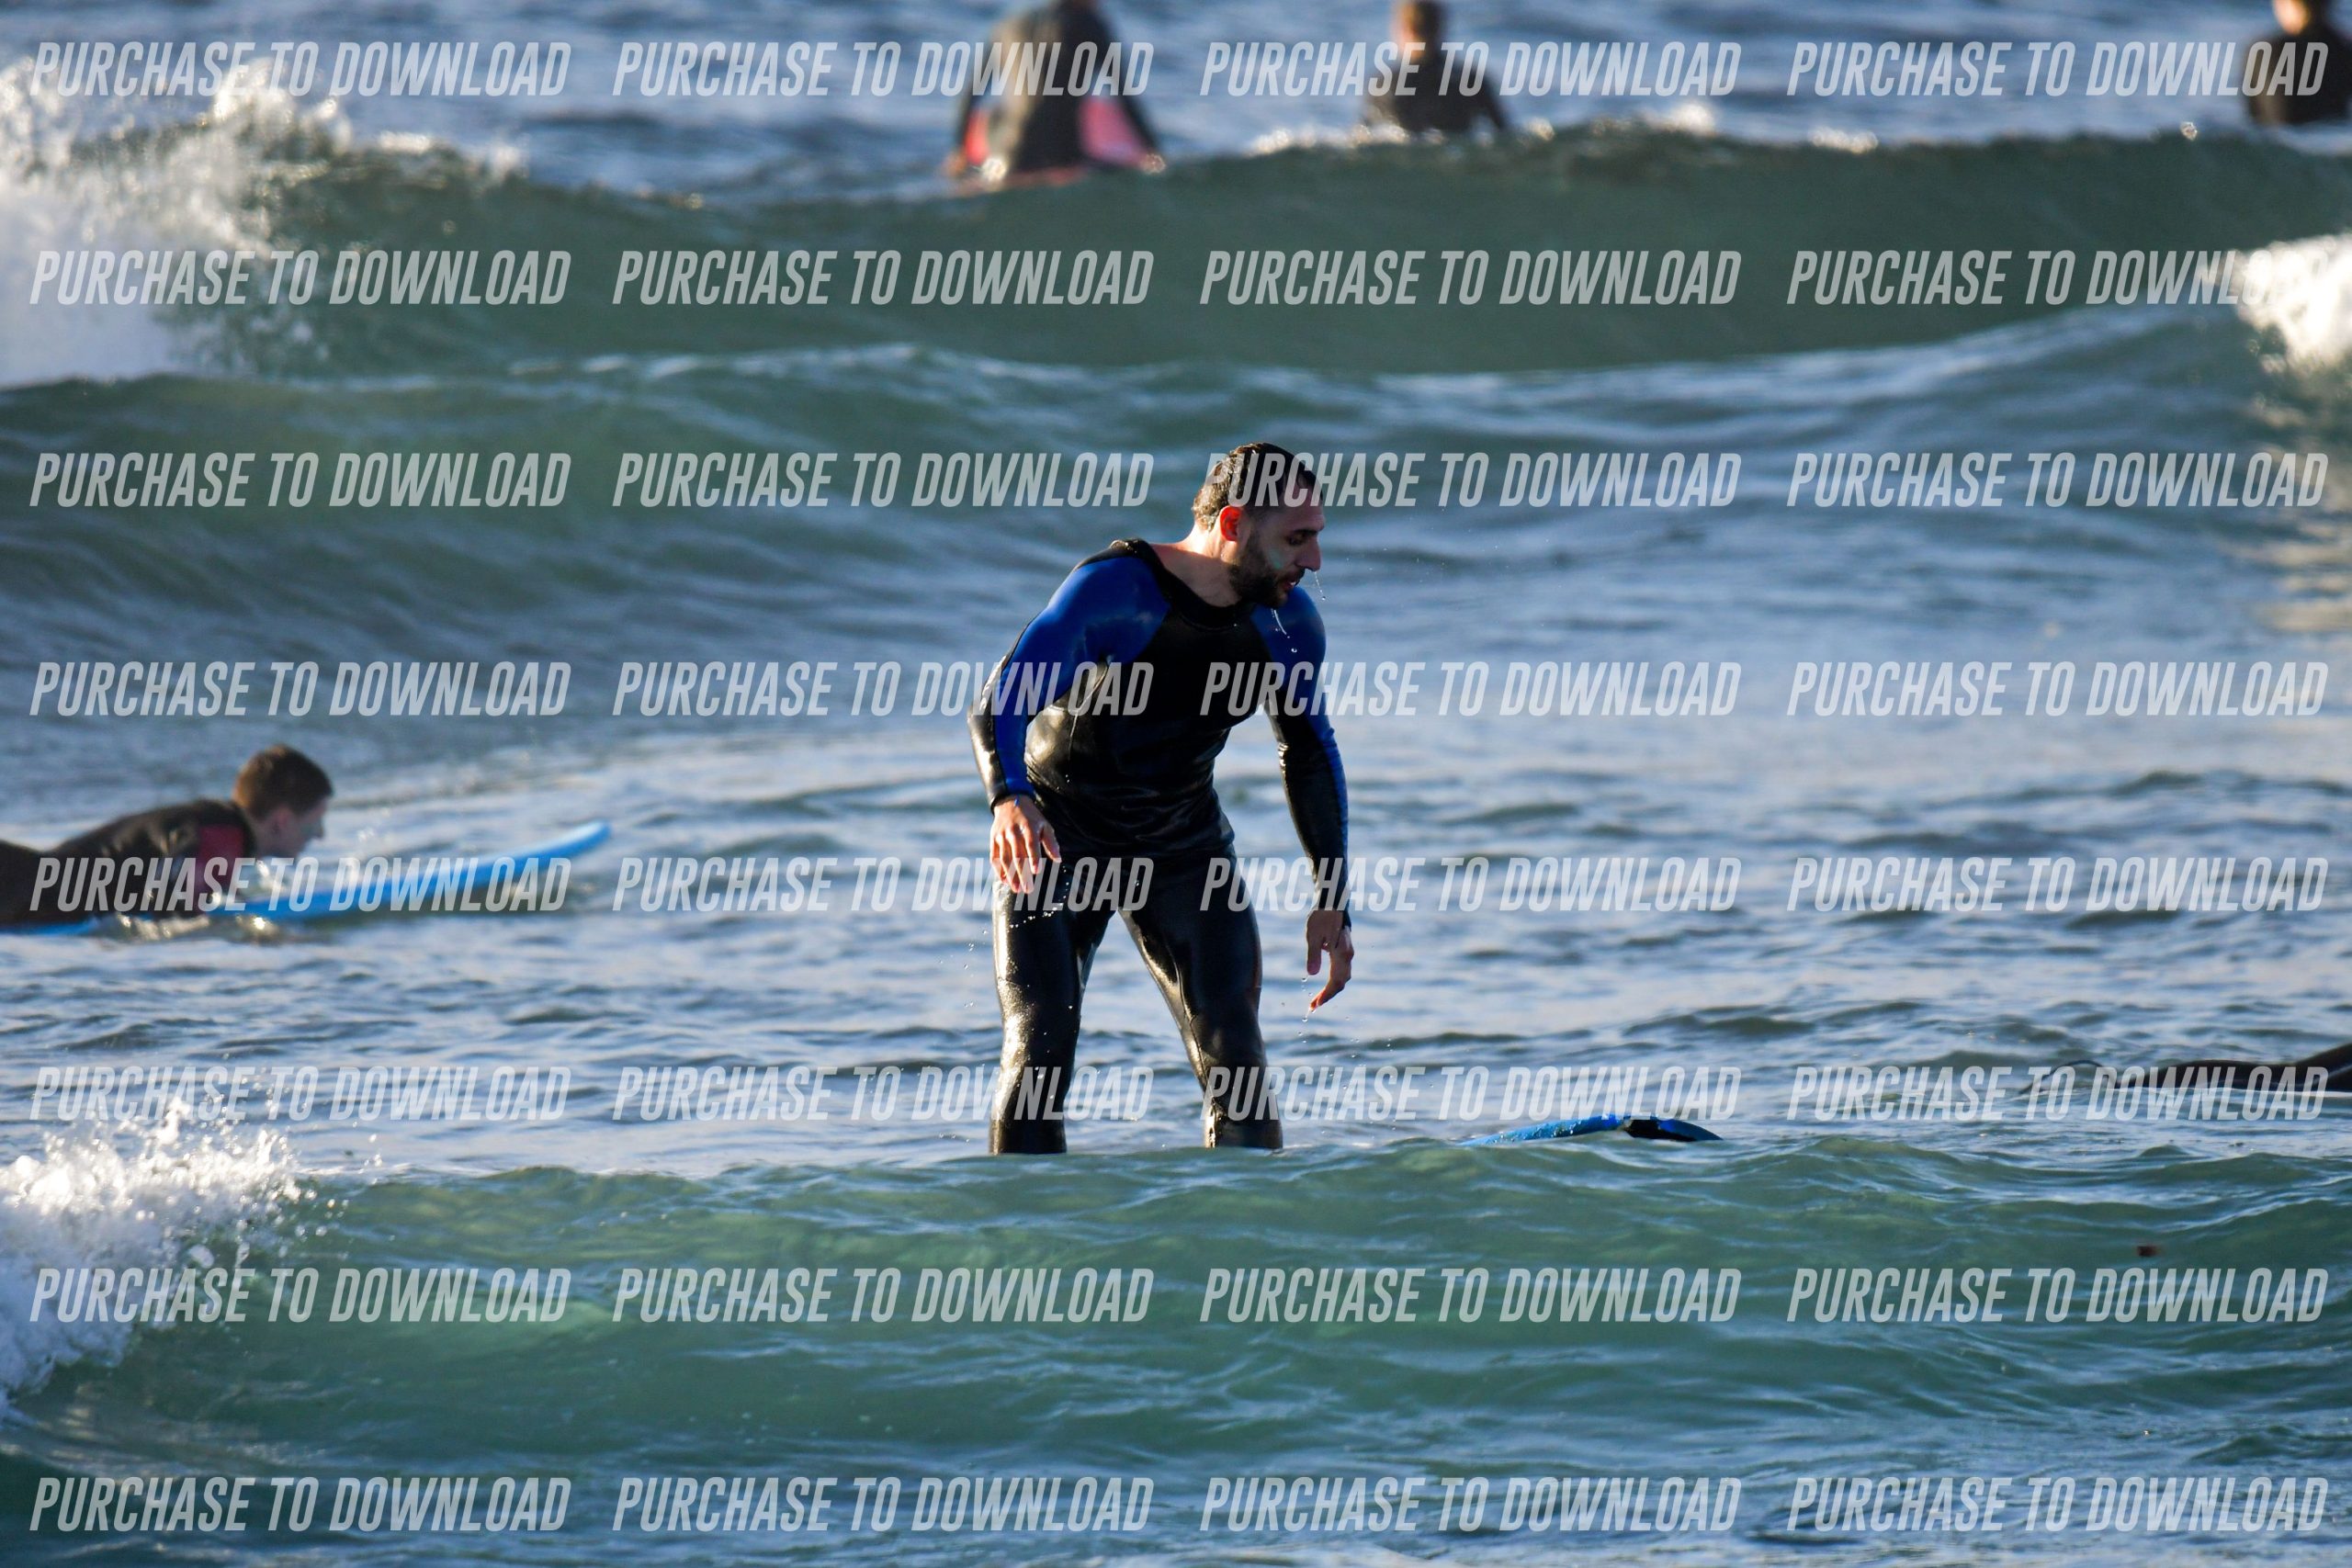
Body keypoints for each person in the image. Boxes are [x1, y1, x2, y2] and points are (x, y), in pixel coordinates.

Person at [971, 443, 1351, 1153]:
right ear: (1233, 524)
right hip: (1058, 835)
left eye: (1317, 536)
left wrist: (1332, 893)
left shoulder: (1287, 625)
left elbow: (1308, 750)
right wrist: (1010, 798)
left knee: (1237, 1056)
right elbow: (1002, 700)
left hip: (1182, 842)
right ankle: (1022, 1217)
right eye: (1298, 538)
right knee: (1039, 1046)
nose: (1316, 560)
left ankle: (1242, 1221)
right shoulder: (1116, 591)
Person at [0, 745, 332, 927]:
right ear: (282, 821)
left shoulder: (216, 824)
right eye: (314, 822)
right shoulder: (221, 837)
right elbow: (169, 900)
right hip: (24, 897)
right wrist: (241, 931)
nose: (319, 835)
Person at [946, 0, 1163, 185]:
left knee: (997, 120)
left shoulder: (1007, 26)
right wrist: (1154, 152)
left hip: (1007, 157)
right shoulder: (1089, 24)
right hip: (1062, 157)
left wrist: (959, 151)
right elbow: (1123, 95)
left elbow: (970, 96)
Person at [1364, 2, 1508, 137]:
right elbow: (1504, 132)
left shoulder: (1386, 84)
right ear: (1440, 28)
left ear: (1405, 29)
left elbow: (1364, 135)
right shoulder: (1469, 79)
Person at [2246, 0, 2352, 126]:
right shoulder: (2344, 50)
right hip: (2333, 132)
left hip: (2281, 133)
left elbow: (2255, 119)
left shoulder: (2265, 52)